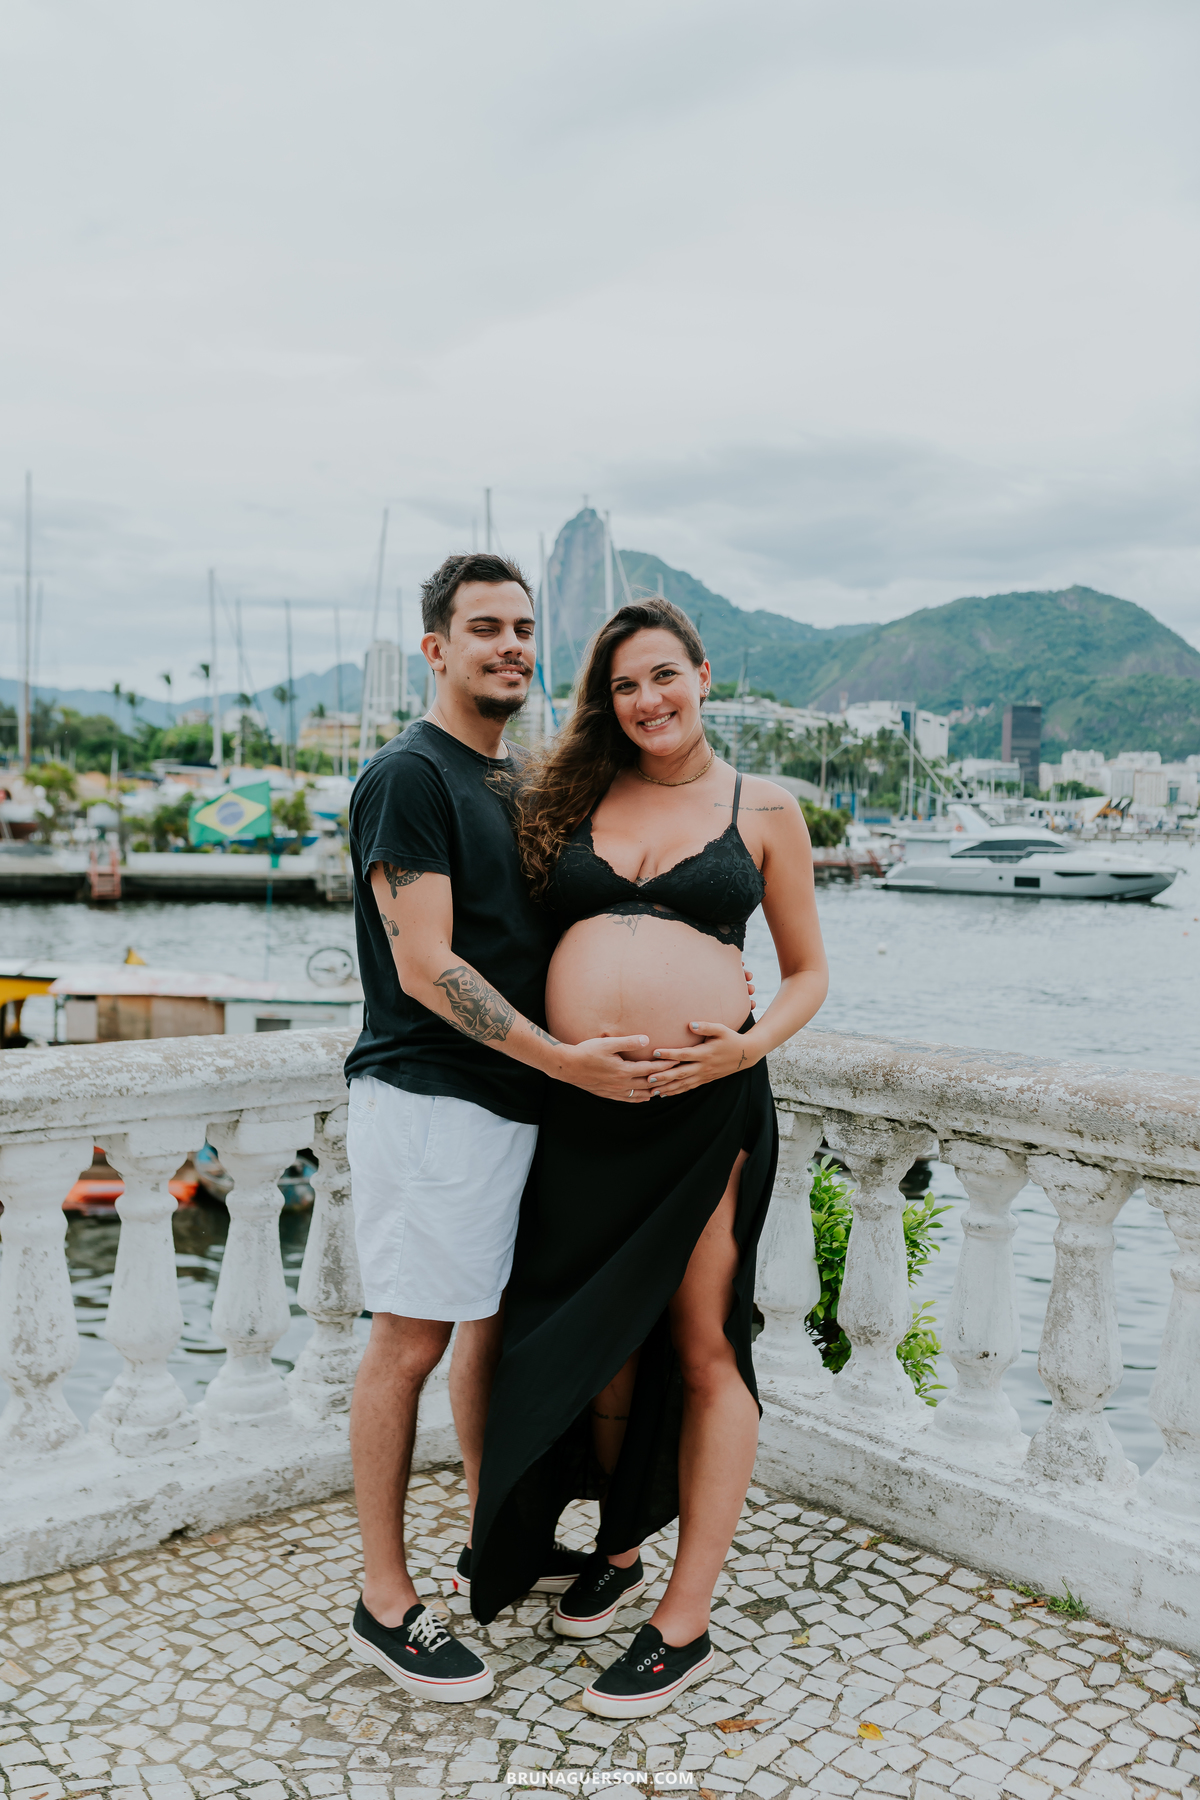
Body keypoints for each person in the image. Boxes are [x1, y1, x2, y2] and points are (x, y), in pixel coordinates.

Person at [468, 597, 829, 1719]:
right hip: (580, 1109)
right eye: (624, 686)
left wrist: (748, 1044)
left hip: (701, 1111)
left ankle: (685, 1620)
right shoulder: (566, 794)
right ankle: (616, 1544)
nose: (647, 701)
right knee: (595, 1335)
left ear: (704, 675)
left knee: (703, 1340)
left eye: (663, 676)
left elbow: (809, 971)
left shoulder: (764, 807)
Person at [342, 554, 670, 1702]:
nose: (511, 647)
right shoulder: (408, 777)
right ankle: (385, 1601)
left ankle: (498, 1544)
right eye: (485, 628)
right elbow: (429, 967)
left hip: (522, 1108)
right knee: (410, 1341)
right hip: (434, 1100)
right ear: (435, 648)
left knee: (489, 1333)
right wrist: (567, 1061)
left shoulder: (513, 780)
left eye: (525, 629)